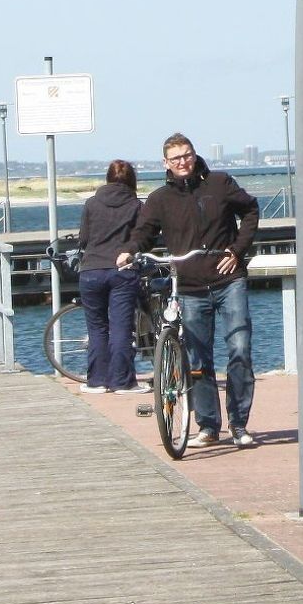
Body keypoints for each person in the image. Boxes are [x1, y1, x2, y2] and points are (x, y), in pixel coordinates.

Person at [122, 133, 261, 448]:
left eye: (186, 155)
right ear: (166, 163)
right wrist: (129, 250)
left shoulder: (220, 184)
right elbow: (143, 231)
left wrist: (237, 250)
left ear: (194, 155)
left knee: (240, 349)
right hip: (190, 285)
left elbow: (251, 211)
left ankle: (239, 424)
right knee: (198, 359)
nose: (182, 162)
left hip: (229, 281)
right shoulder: (159, 199)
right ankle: (209, 426)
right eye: (175, 158)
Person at [75, 161, 146, 393]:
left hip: (91, 269)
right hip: (122, 270)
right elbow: (141, 238)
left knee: (96, 327)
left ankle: (96, 381)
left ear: (107, 179)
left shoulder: (92, 204)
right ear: (132, 181)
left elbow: (84, 239)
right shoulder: (136, 205)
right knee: (121, 327)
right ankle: (122, 381)